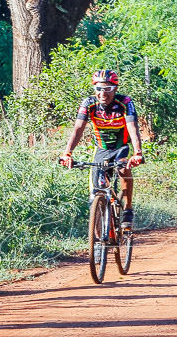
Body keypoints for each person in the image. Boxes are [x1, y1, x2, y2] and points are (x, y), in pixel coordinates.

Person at [59, 70, 145, 228]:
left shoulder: (125, 102)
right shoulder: (89, 103)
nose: (102, 93)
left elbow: (133, 127)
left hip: (121, 147)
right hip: (102, 149)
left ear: (115, 89)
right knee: (98, 187)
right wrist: (67, 153)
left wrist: (137, 153)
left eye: (107, 89)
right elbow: (78, 128)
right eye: (99, 89)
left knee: (124, 169)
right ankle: (99, 236)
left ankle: (127, 208)